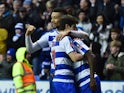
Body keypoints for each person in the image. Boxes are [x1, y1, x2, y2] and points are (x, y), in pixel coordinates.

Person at [25, 7, 88, 93]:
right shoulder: (49, 36)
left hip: (73, 74)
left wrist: (68, 32)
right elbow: (30, 49)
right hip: (56, 75)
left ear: (63, 18)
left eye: (55, 18)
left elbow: (86, 35)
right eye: (51, 18)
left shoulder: (74, 32)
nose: (52, 20)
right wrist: (27, 35)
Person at [51, 15, 84, 93]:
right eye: (74, 27)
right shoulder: (66, 39)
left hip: (57, 79)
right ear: (67, 26)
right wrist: (87, 54)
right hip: (65, 80)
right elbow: (74, 58)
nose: (75, 30)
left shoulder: (54, 40)